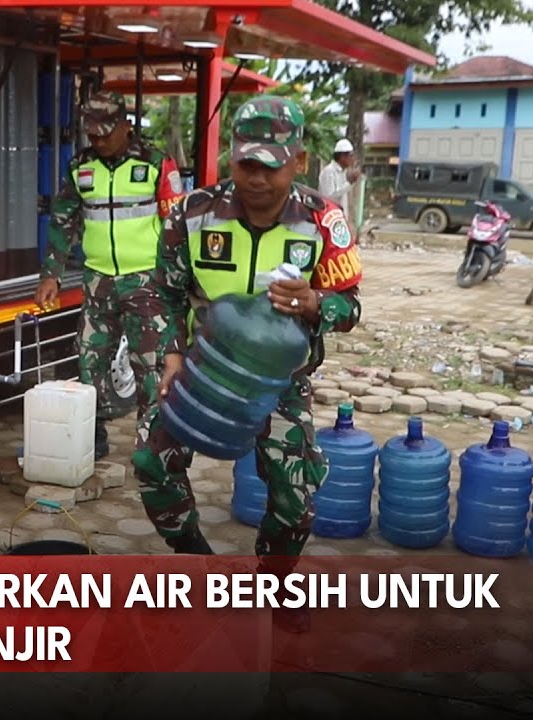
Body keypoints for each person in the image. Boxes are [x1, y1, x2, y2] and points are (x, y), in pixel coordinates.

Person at [134, 97, 363, 633]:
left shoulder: (323, 221)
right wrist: (167, 354)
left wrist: (314, 304)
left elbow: (349, 305)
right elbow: (159, 294)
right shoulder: (192, 212)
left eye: (271, 165)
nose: (256, 177)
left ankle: (278, 582)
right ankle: (196, 562)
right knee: (150, 463)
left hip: (279, 381)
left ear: (299, 162)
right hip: (200, 370)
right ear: (231, 158)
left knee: (296, 490)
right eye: (246, 164)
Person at [35, 89, 185, 458]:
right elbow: (62, 219)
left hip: (146, 283)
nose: (99, 140)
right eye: (93, 134)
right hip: (97, 282)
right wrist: (51, 273)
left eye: (105, 132)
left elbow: (177, 226)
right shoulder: (81, 167)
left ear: (125, 126)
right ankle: (93, 438)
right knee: (89, 360)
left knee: (151, 367)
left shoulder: (155, 163)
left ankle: (156, 442)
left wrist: (177, 283)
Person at [318, 137, 361, 212]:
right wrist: (349, 183)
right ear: (342, 156)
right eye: (351, 156)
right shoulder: (329, 172)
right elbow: (329, 198)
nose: (352, 159)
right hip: (330, 216)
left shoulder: (343, 172)